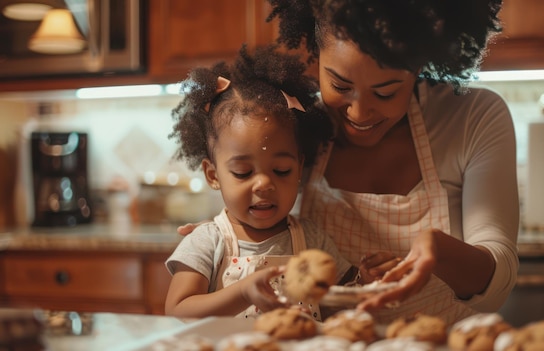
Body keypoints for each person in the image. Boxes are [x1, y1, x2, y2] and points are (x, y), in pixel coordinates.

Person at [180, 0, 520, 325]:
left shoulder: (471, 118)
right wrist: (227, 238)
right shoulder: (297, 126)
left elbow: (495, 292)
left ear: (417, 67)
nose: (358, 113)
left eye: (385, 92)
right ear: (317, 56)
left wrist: (440, 252)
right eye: (340, 85)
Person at [164, 45, 395, 320]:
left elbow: (337, 300)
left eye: (282, 170)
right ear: (213, 175)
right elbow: (178, 310)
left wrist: (366, 280)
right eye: (242, 172)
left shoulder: (311, 239)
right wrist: (242, 292)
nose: (263, 184)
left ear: (299, 167)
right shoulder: (207, 241)